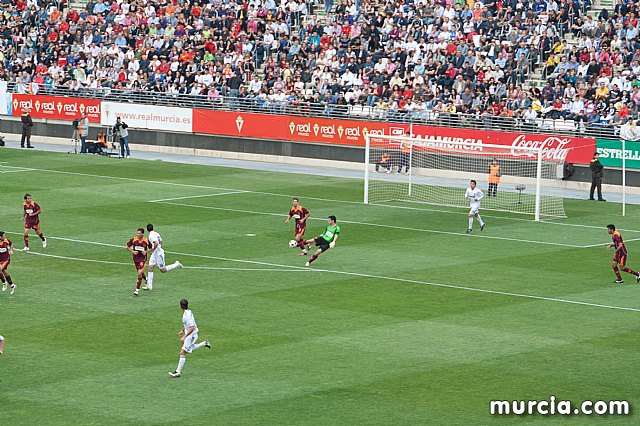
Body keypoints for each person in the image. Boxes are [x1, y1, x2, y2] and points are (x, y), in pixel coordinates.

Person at [168, 299, 212, 378]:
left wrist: (184, 336)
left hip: (191, 335)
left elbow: (192, 327)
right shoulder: (188, 312)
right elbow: (187, 325)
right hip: (190, 335)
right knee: (189, 349)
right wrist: (182, 330)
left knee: (182, 352)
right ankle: (204, 343)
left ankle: (177, 372)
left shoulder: (187, 315)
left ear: (180, 306)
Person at [144, 223, 183, 291]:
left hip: (159, 255)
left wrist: (153, 249)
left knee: (163, 270)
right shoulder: (156, 233)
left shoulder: (151, 236)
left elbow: (156, 243)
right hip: (155, 254)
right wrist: (157, 249)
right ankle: (149, 286)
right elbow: (161, 241)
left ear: (147, 230)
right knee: (150, 268)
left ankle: (176, 264)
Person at [126, 228, 152, 296]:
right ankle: (146, 279)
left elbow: (151, 248)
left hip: (143, 259)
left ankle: (137, 290)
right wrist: (133, 251)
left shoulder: (146, 240)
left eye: (139, 233)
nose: (138, 234)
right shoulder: (134, 239)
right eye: (137, 233)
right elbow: (127, 246)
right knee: (140, 272)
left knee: (139, 273)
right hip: (135, 259)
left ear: (142, 234)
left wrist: (146, 252)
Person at [0, 230, 15, 295]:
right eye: (3, 236)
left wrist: (11, 250)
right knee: (5, 273)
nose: (5, 236)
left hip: (6, 259)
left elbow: (11, 244)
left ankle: (4, 283)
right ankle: (12, 285)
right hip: (0, 260)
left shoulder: (6, 240)